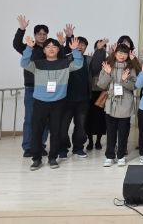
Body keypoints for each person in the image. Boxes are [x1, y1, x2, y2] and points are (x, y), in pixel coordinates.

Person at [20, 35, 84, 170]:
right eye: (48, 46)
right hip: (40, 102)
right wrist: (29, 48)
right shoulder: (37, 64)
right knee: (37, 131)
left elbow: (78, 64)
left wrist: (75, 50)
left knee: (56, 131)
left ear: (58, 49)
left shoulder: (65, 63)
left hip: (58, 103)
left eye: (54, 46)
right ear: (44, 50)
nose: (51, 49)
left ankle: (53, 158)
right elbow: (24, 63)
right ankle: (36, 158)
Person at [13, 15, 52, 157]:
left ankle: (41, 146)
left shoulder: (50, 49)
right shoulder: (29, 47)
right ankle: (28, 147)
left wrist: (68, 37)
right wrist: (21, 29)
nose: (42, 36)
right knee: (30, 119)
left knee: (45, 120)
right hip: (31, 87)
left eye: (44, 34)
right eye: (39, 34)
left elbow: (65, 52)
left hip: (47, 89)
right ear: (35, 35)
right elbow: (16, 44)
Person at [97, 43, 137, 167]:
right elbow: (101, 85)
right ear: (115, 53)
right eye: (119, 52)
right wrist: (108, 73)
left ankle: (121, 156)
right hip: (111, 103)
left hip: (125, 103)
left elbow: (134, 86)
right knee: (111, 132)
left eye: (124, 53)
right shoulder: (107, 66)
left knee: (123, 133)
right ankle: (109, 156)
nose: (122, 55)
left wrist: (125, 80)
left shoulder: (131, 68)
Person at [58, 36, 92, 159]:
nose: (80, 46)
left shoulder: (88, 60)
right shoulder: (66, 58)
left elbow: (98, 66)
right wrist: (61, 45)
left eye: (83, 45)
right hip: (66, 99)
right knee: (63, 127)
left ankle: (78, 148)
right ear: (72, 45)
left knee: (81, 126)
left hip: (83, 99)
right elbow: (56, 59)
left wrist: (100, 50)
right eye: (78, 44)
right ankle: (62, 149)